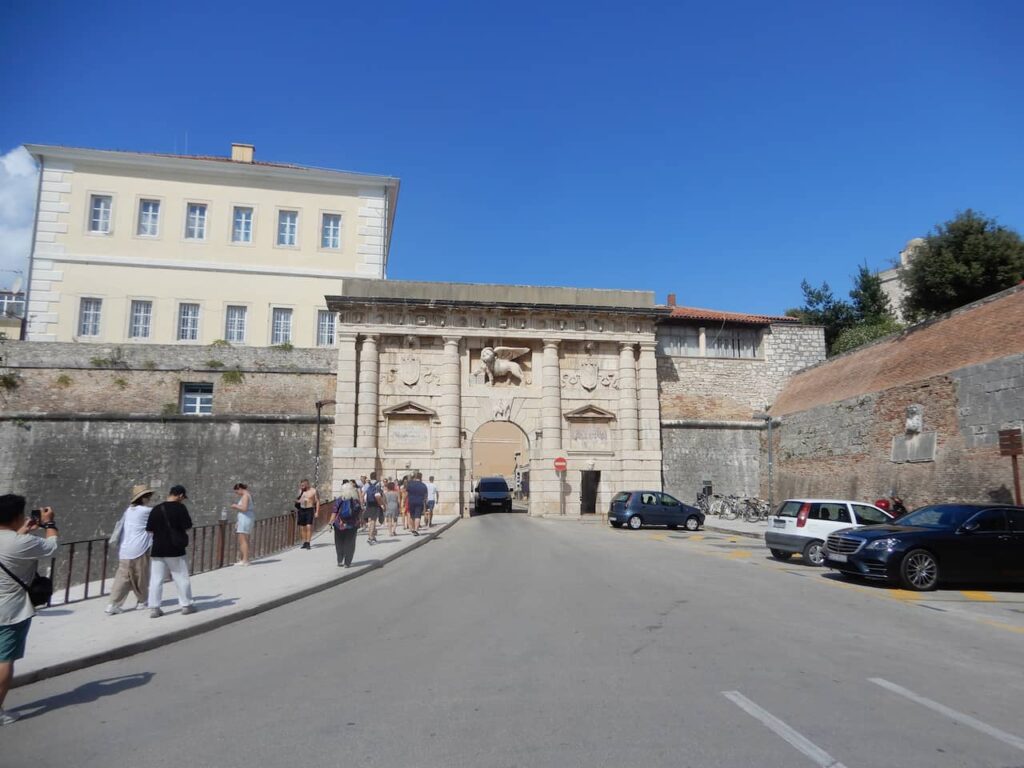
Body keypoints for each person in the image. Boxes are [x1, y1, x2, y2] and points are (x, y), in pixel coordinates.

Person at [0, 495, 59, 725]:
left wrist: (23, 531)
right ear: (16, 516)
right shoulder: (20, 543)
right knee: (4, 660)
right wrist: (50, 524)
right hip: (10, 611)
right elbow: (52, 548)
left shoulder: (17, 539)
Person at [146, 485, 195, 618]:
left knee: (156, 579)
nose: (183, 500)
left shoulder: (156, 509)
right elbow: (188, 526)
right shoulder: (180, 508)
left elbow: (149, 529)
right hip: (175, 548)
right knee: (180, 576)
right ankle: (186, 605)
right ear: (179, 495)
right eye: (183, 497)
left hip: (157, 548)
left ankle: (154, 608)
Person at [104, 484, 154, 615]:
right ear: (143, 498)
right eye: (148, 497)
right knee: (141, 576)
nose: (150, 499)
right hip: (140, 549)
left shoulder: (128, 510)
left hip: (124, 550)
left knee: (122, 578)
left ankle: (113, 604)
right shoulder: (146, 511)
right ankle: (142, 601)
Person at [329, 481, 361, 567]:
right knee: (350, 543)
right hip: (352, 524)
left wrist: (330, 523)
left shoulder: (339, 500)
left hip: (339, 524)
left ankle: (340, 560)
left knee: (339, 542)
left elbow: (334, 512)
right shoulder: (356, 501)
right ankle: (347, 562)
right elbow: (359, 512)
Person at [230, 483, 255, 565]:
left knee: (243, 540)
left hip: (245, 518)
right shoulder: (248, 495)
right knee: (243, 539)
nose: (236, 494)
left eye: (236, 492)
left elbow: (244, 508)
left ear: (240, 488)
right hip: (246, 518)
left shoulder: (245, 496)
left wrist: (235, 506)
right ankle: (244, 559)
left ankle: (245, 560)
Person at [296, 479, 319, 550]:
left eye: (303, 485)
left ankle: (308, 542)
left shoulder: (313, 491)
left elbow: (317, 501)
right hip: (302, 510)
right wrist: (299, 501)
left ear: (307, 484)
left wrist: (317, 512)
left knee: (308, 526)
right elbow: (297, 500)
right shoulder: (300, 491)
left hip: (309, 509)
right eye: (301, 485)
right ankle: (304, 542)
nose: (302, 486)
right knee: (302, 527)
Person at [363, 472, 384, 545]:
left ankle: (373, 536)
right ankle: (370, 537)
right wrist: (382, 504)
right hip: (375, 504)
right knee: (373, 521)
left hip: (368, 504)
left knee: (370, 521)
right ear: (376, 476)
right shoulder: (378, 484)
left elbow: (362, 494)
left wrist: (363, 504)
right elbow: (378, 496)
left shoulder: (366, 484)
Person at [406, 472, 428, 537]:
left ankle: (412, 528)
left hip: (411, 501)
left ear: (415, 477)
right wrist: (425, 503)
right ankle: (416, 530)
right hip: (419, 501)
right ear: (421, 477)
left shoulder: (410, 484)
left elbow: (407, 493)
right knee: (418, 516)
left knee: (412, 515)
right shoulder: (423, 485)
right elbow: (426, 496)